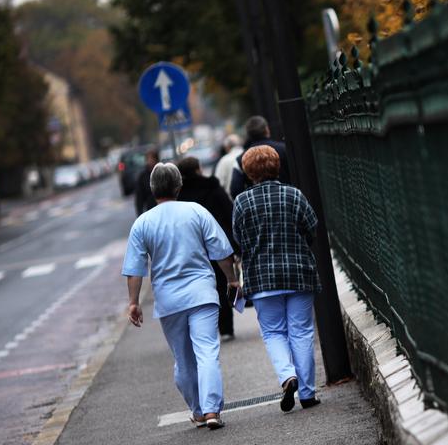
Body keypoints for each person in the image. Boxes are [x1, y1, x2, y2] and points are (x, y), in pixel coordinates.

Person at [123, 162, 238, 430]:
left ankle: (197, 410)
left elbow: (135, 268)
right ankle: (211, 410)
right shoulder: (196, 211)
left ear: (152, 190)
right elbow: (221, 251)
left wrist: (133, 302)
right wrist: (232, 280)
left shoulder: (143, 223)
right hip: (202, 294)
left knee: (183, 359)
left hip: (169, 300)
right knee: (207, 351)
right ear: (179, 186)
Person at [232, 145, 322, 412]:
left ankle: (287, 376)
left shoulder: (241, 202)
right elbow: (312, 227)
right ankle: (307, 393)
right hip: (298, 273)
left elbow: (238, 239)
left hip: (261, 278)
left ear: (248, 172)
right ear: (277, 166)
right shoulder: (294, 195)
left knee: (273, 332)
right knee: (302, 332)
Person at [175, 156, 239, 341]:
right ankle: (226, 329)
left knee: (198, 287)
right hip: (217, 244)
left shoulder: (180, 194)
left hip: (192, 248)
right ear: (198, 169)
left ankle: (205, 330)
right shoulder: (212, 187)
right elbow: (229, 212)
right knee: (222, 284)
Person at [229, 116, 290, 199]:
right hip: (286, 197)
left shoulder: (241, 159)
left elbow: (235, 189)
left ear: (249, 134)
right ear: (267, 129)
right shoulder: (284, 149)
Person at [134, 147, 160, 215]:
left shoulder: (162, 171)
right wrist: (140, 213)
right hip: (151, 210)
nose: (150, 161)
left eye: (152, 158)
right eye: (148, 159)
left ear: (156, 159)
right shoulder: (142, 176)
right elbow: (139, 197)